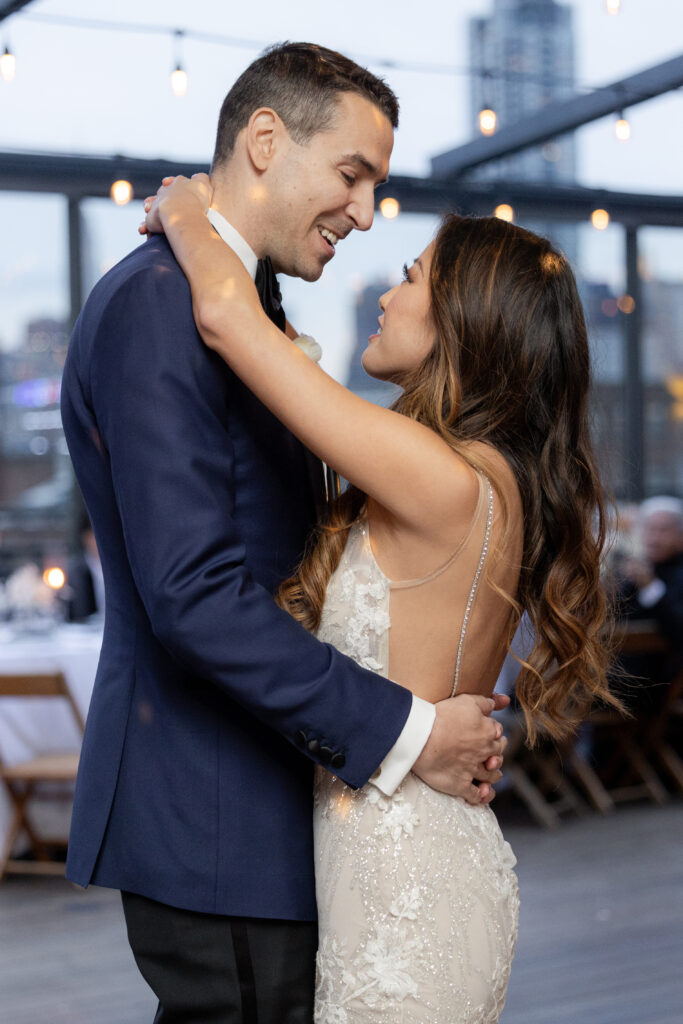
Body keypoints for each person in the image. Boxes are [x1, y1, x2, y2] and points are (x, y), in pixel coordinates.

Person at [60, 43, 508, 1024]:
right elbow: (193, 594)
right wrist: (408, 730)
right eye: (352, 174)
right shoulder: (161, 305)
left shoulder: (229, 302)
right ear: (265, 139)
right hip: (213, 817)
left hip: (263, 815)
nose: (362, 210)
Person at [142, 170, 620, 1021]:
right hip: (412, 873)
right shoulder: (481, 474)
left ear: (462, 326)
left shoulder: (438, 474)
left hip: (407, 901)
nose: (388, 294)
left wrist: (185, 208)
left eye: (410, 279)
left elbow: (224, 319)